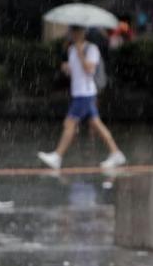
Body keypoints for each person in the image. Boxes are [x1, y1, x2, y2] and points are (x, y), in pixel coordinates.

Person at [37, 25, 126, 170]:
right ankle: (116, 153)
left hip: (85, 94)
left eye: (76, 31)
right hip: (78, 92)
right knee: (97, 125)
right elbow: (75, 72)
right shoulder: (71, 49)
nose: (73, 34)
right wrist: (67, 68)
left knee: (69, 123)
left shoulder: (91, 49)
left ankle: (57, 157)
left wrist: (80, 53)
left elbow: (90, 69)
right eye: (72, 31)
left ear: (82, 33)